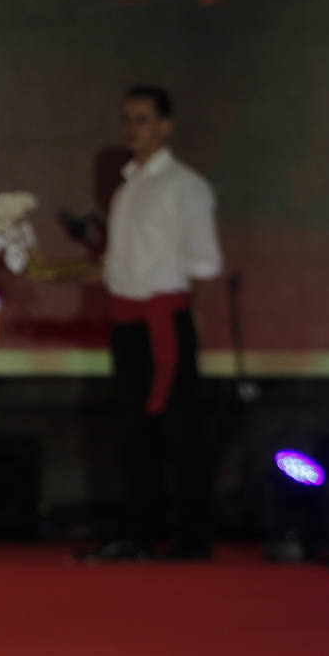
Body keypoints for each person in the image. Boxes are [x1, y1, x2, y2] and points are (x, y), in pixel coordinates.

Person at [85, 84, 222, 560]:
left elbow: (203, 265)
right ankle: (140, 530)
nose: (132, 128)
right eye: (127, 119)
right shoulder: (127, 189)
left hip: (164, 318)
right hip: (126, 322)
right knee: (132, 429)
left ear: (166, 125)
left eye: (142, 119)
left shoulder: (185, 187)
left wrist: (186, 316)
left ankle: (192, 536)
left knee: (179, 429)